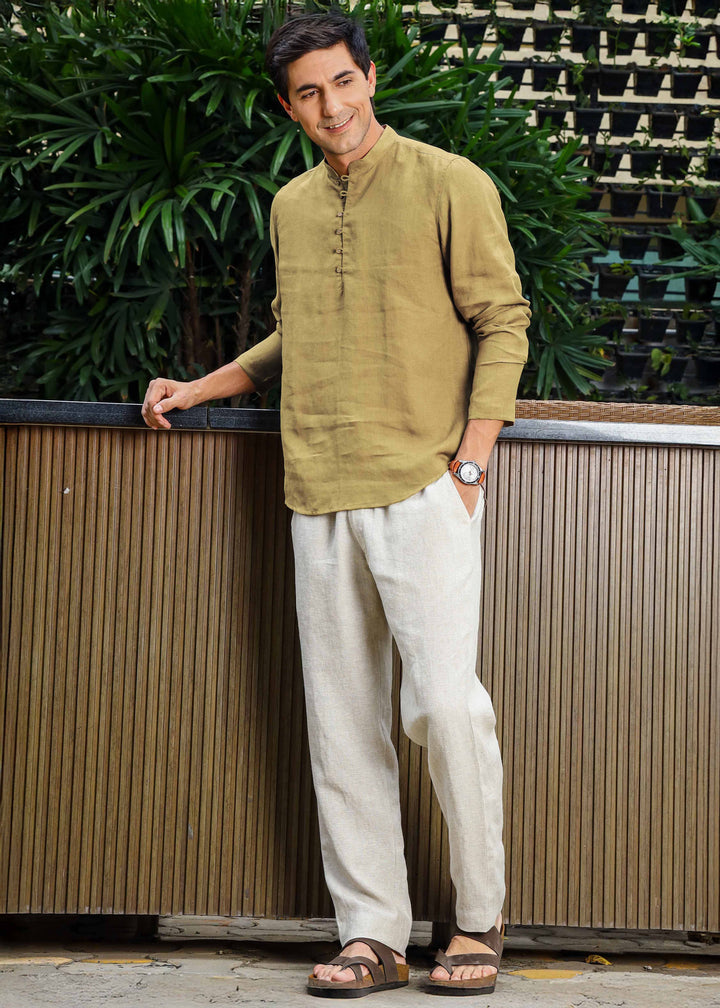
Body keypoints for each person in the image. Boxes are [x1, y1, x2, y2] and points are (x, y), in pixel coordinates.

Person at [142, 10, 530, 998]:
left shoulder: (451, 183)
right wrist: (198, 387)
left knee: (445, 706)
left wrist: (472, 464)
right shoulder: (290, 207)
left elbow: (504, 322)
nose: (331, 108)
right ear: (290, 107)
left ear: (370, 78)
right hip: (315, 490)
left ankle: (478, 921)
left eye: (342, 84)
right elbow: (296, 335)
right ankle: (375, 935)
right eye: (308, 94)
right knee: (343, 723)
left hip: (423, 485)